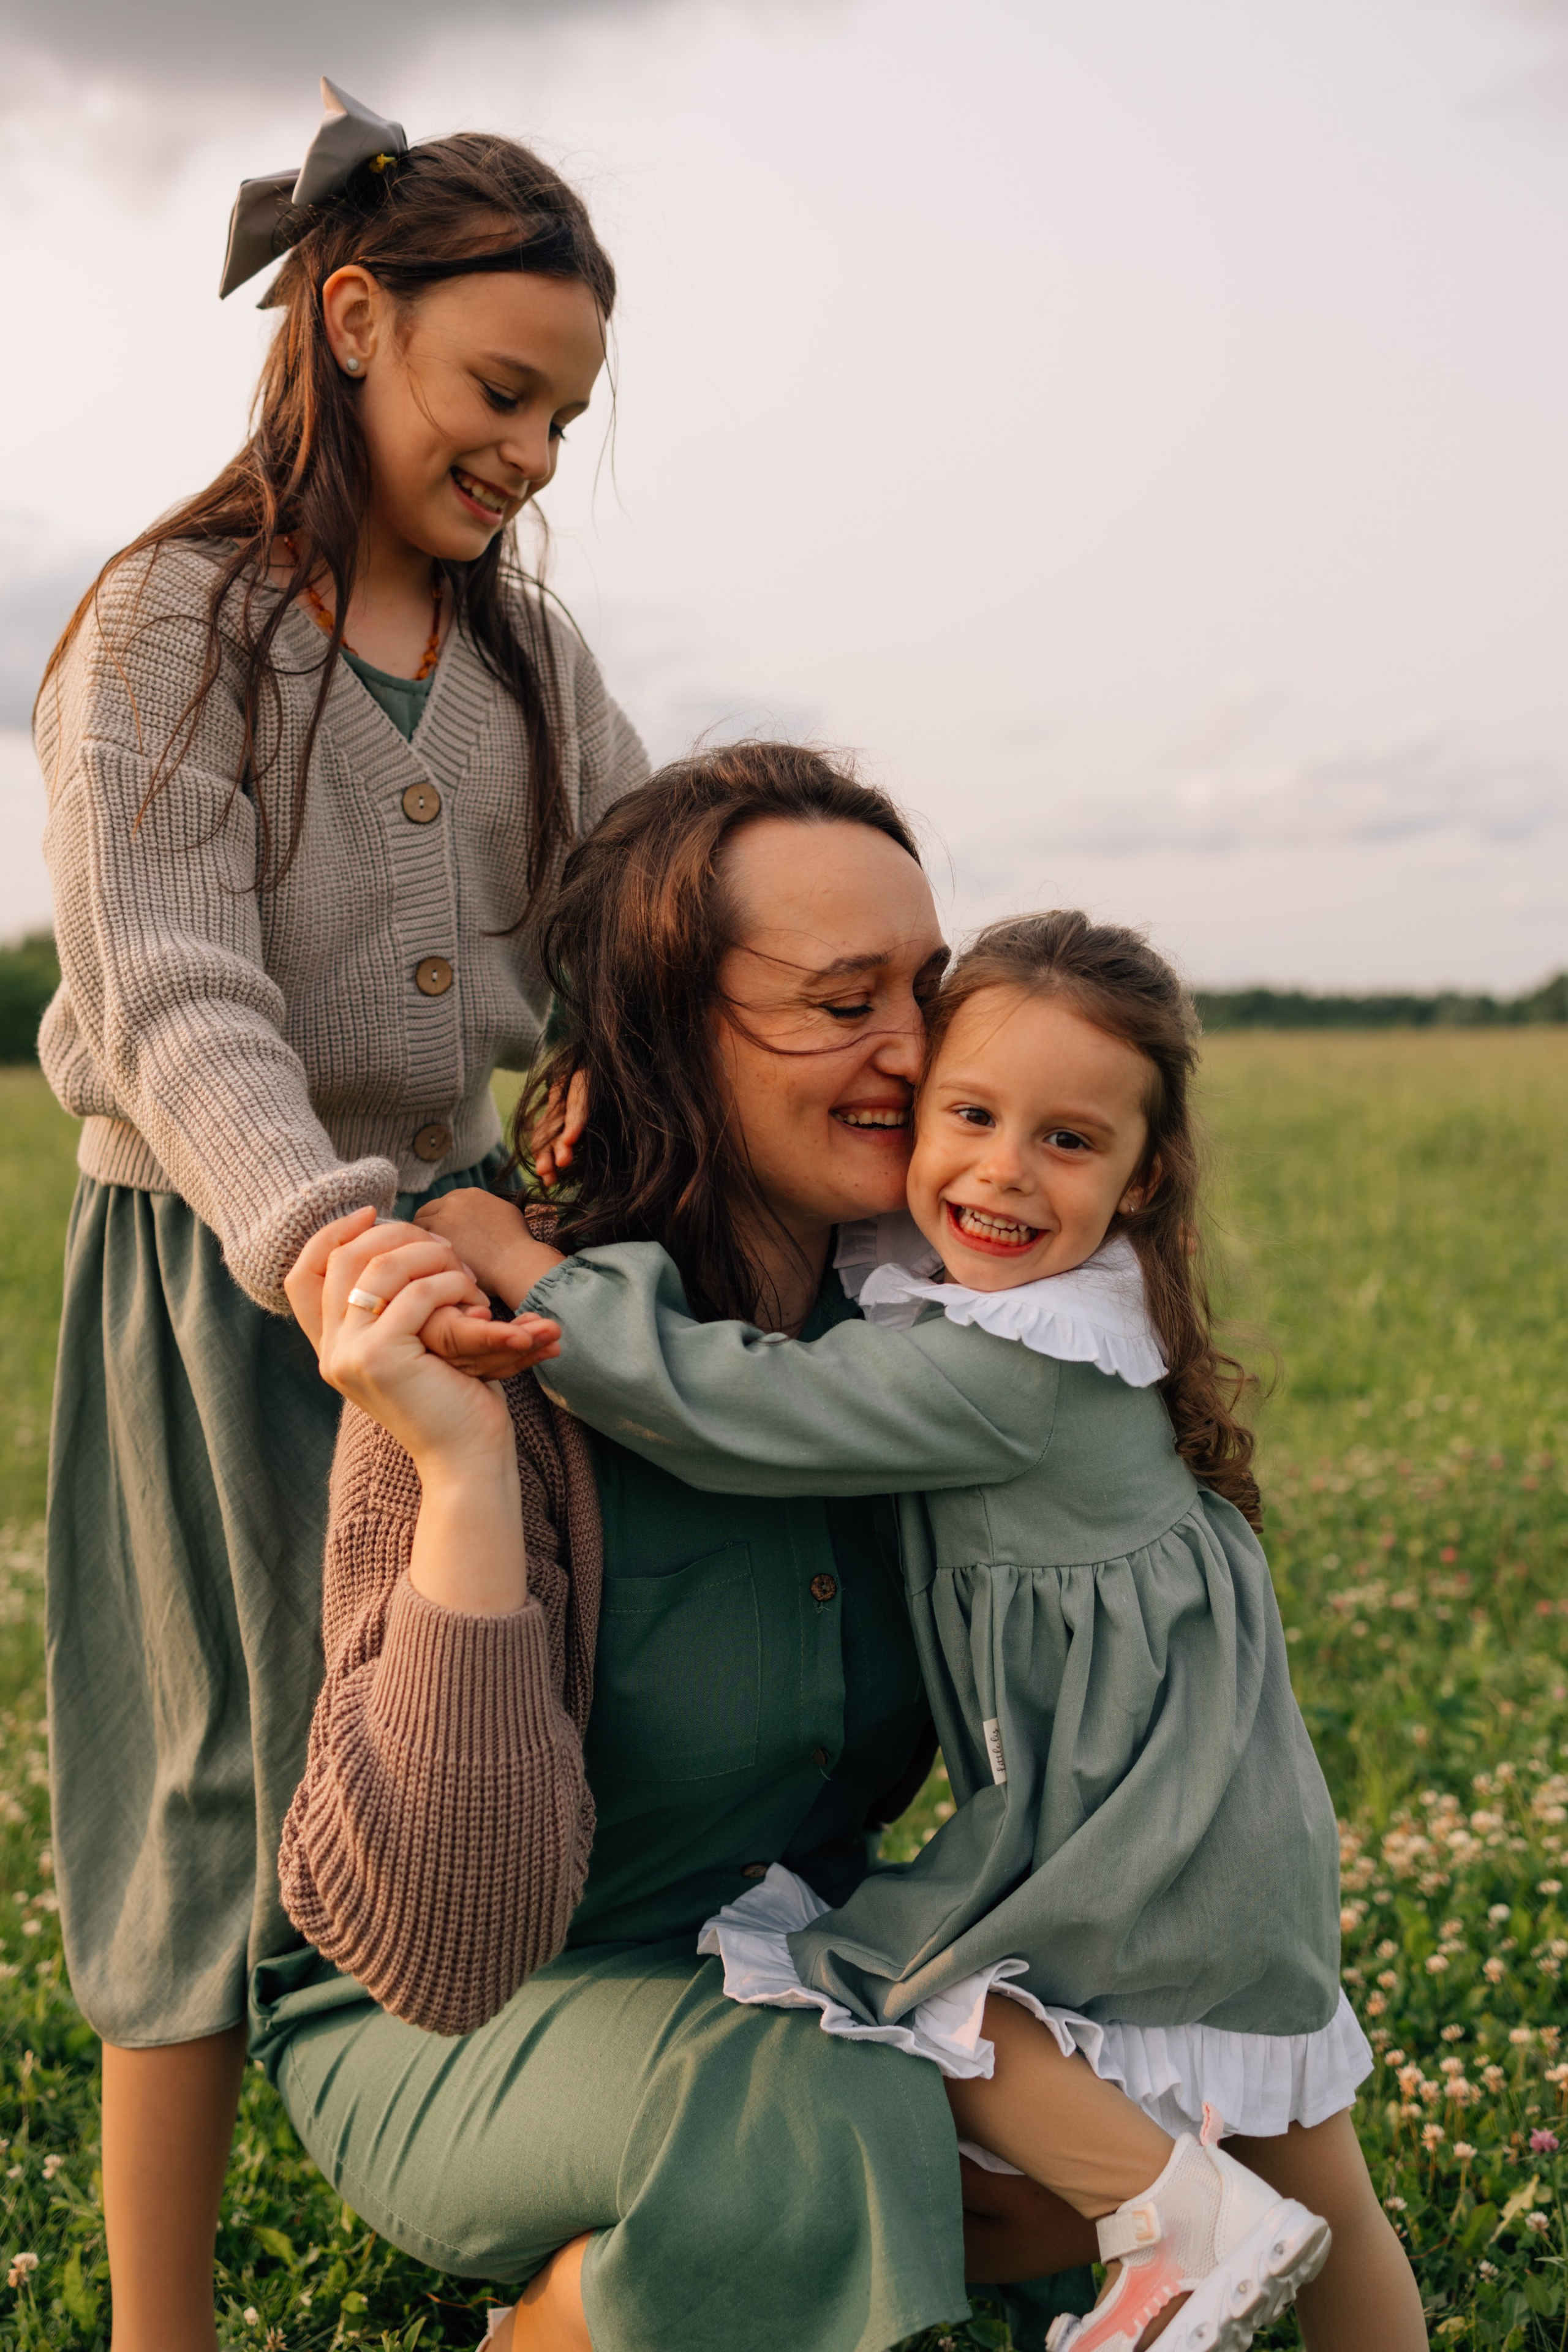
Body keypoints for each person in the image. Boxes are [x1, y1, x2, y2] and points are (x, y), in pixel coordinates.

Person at [424, 908, 1428, 2351]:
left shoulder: (1015, 1365)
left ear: (1142, 1174)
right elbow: (861, 1212)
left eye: (1065, 1143)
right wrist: (614, 1084)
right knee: (1315, 2164)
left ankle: (1177, 2220)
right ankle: (1198, 2223)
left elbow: (739, 1402)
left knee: (892, 1977)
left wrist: (523, 1263)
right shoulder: (1033, 1290)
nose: (1001, 1171)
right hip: (1223, 1816)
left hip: (1135, 1824)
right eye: (968, 1115)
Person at [36, 77, 643, 2351]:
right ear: (355, 319)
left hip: (470, 1272)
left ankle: (543, 2200)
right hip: (222, 1281)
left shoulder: (530, 667)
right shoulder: (168, 631)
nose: (535, 457)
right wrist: (322, 1249)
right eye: (505, 394)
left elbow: (635, 935)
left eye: (571, 418)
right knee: (215, 1781)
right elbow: (170, 990)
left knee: (487, 1729)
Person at [276, 745, 1112, 2352]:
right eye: (841, 996)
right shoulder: (483, 1346)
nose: (915, 1048)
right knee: (815, 2116)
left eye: (927, 988)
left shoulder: (929, 1338)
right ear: (662, 1028)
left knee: (1150, 2116)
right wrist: (457, 1478)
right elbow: (446, 1946)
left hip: (807, 1954)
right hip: (471, 2012)